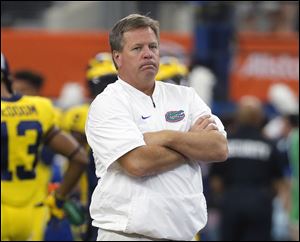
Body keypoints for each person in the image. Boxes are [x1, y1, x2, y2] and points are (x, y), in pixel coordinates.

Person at [85, 14, 228, 241]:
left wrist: (166, 137)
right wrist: (192, 145)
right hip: (128, 235)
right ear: (117, 57)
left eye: (153, 46)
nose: (148, 53)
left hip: (185, 235)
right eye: (137, 48)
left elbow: (219, 148)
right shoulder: (108, 103)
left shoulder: (185, 96)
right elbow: (138, 163)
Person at [1, 52, 89, 241]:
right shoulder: (41, 109)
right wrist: (59, 197)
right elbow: (80, 157)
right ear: (8, 77)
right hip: (32, 210)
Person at [209, 95, 287, 241]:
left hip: (231, 201)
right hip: (260, 203)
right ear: (260, 118)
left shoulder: (226, 144)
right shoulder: (269, 145)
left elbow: (216, 181)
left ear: (237, 117)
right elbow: (279, 182)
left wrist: (225, 198)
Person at [61, 52, 118, 240]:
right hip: (95, 189)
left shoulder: (81, 113)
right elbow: (76, 157)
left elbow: (73, 157)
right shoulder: (82, 114)